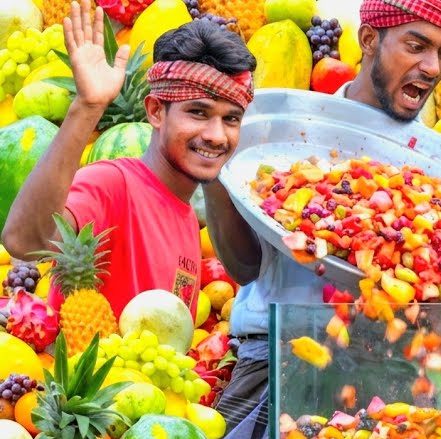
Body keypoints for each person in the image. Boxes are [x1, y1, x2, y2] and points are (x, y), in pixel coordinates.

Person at [203, 0, 441, 439]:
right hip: (277, 364)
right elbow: (243, 267)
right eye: (416, 46)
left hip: (391, 379)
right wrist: (221, 176)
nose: (431, 67)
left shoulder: (435, 169)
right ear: (369, 39)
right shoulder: (284, 137)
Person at [1, 0, 254, 320]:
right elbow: (24, 242)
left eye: (231, 119)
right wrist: (87, 107)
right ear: (155, 111)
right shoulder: (112, 184)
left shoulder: (188, 218)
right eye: (198, 112)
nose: (217, 134)